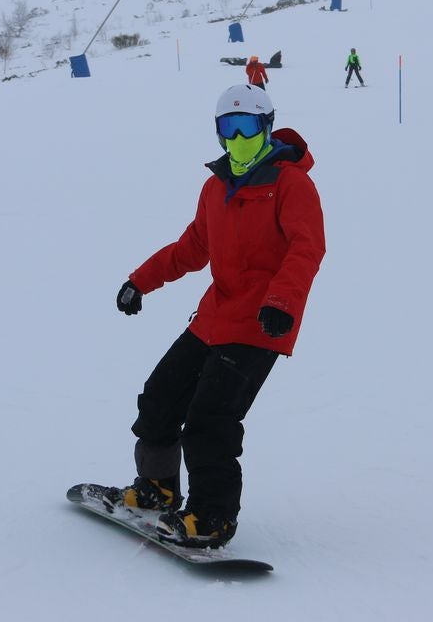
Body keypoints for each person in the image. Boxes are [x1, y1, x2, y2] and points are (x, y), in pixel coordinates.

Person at [104, 84, 326, 547]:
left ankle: (212, 516)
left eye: (248, 126)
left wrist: (282, 305)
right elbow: (193, 247)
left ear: (267, 126)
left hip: (261, 324)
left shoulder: (292, 184)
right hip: (213, 318)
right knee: (161, 397)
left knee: (210, 419)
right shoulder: (216, 186)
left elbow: (307, 249)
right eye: (229, 127)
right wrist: (140, 280)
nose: (239, 136)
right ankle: (157, 488)